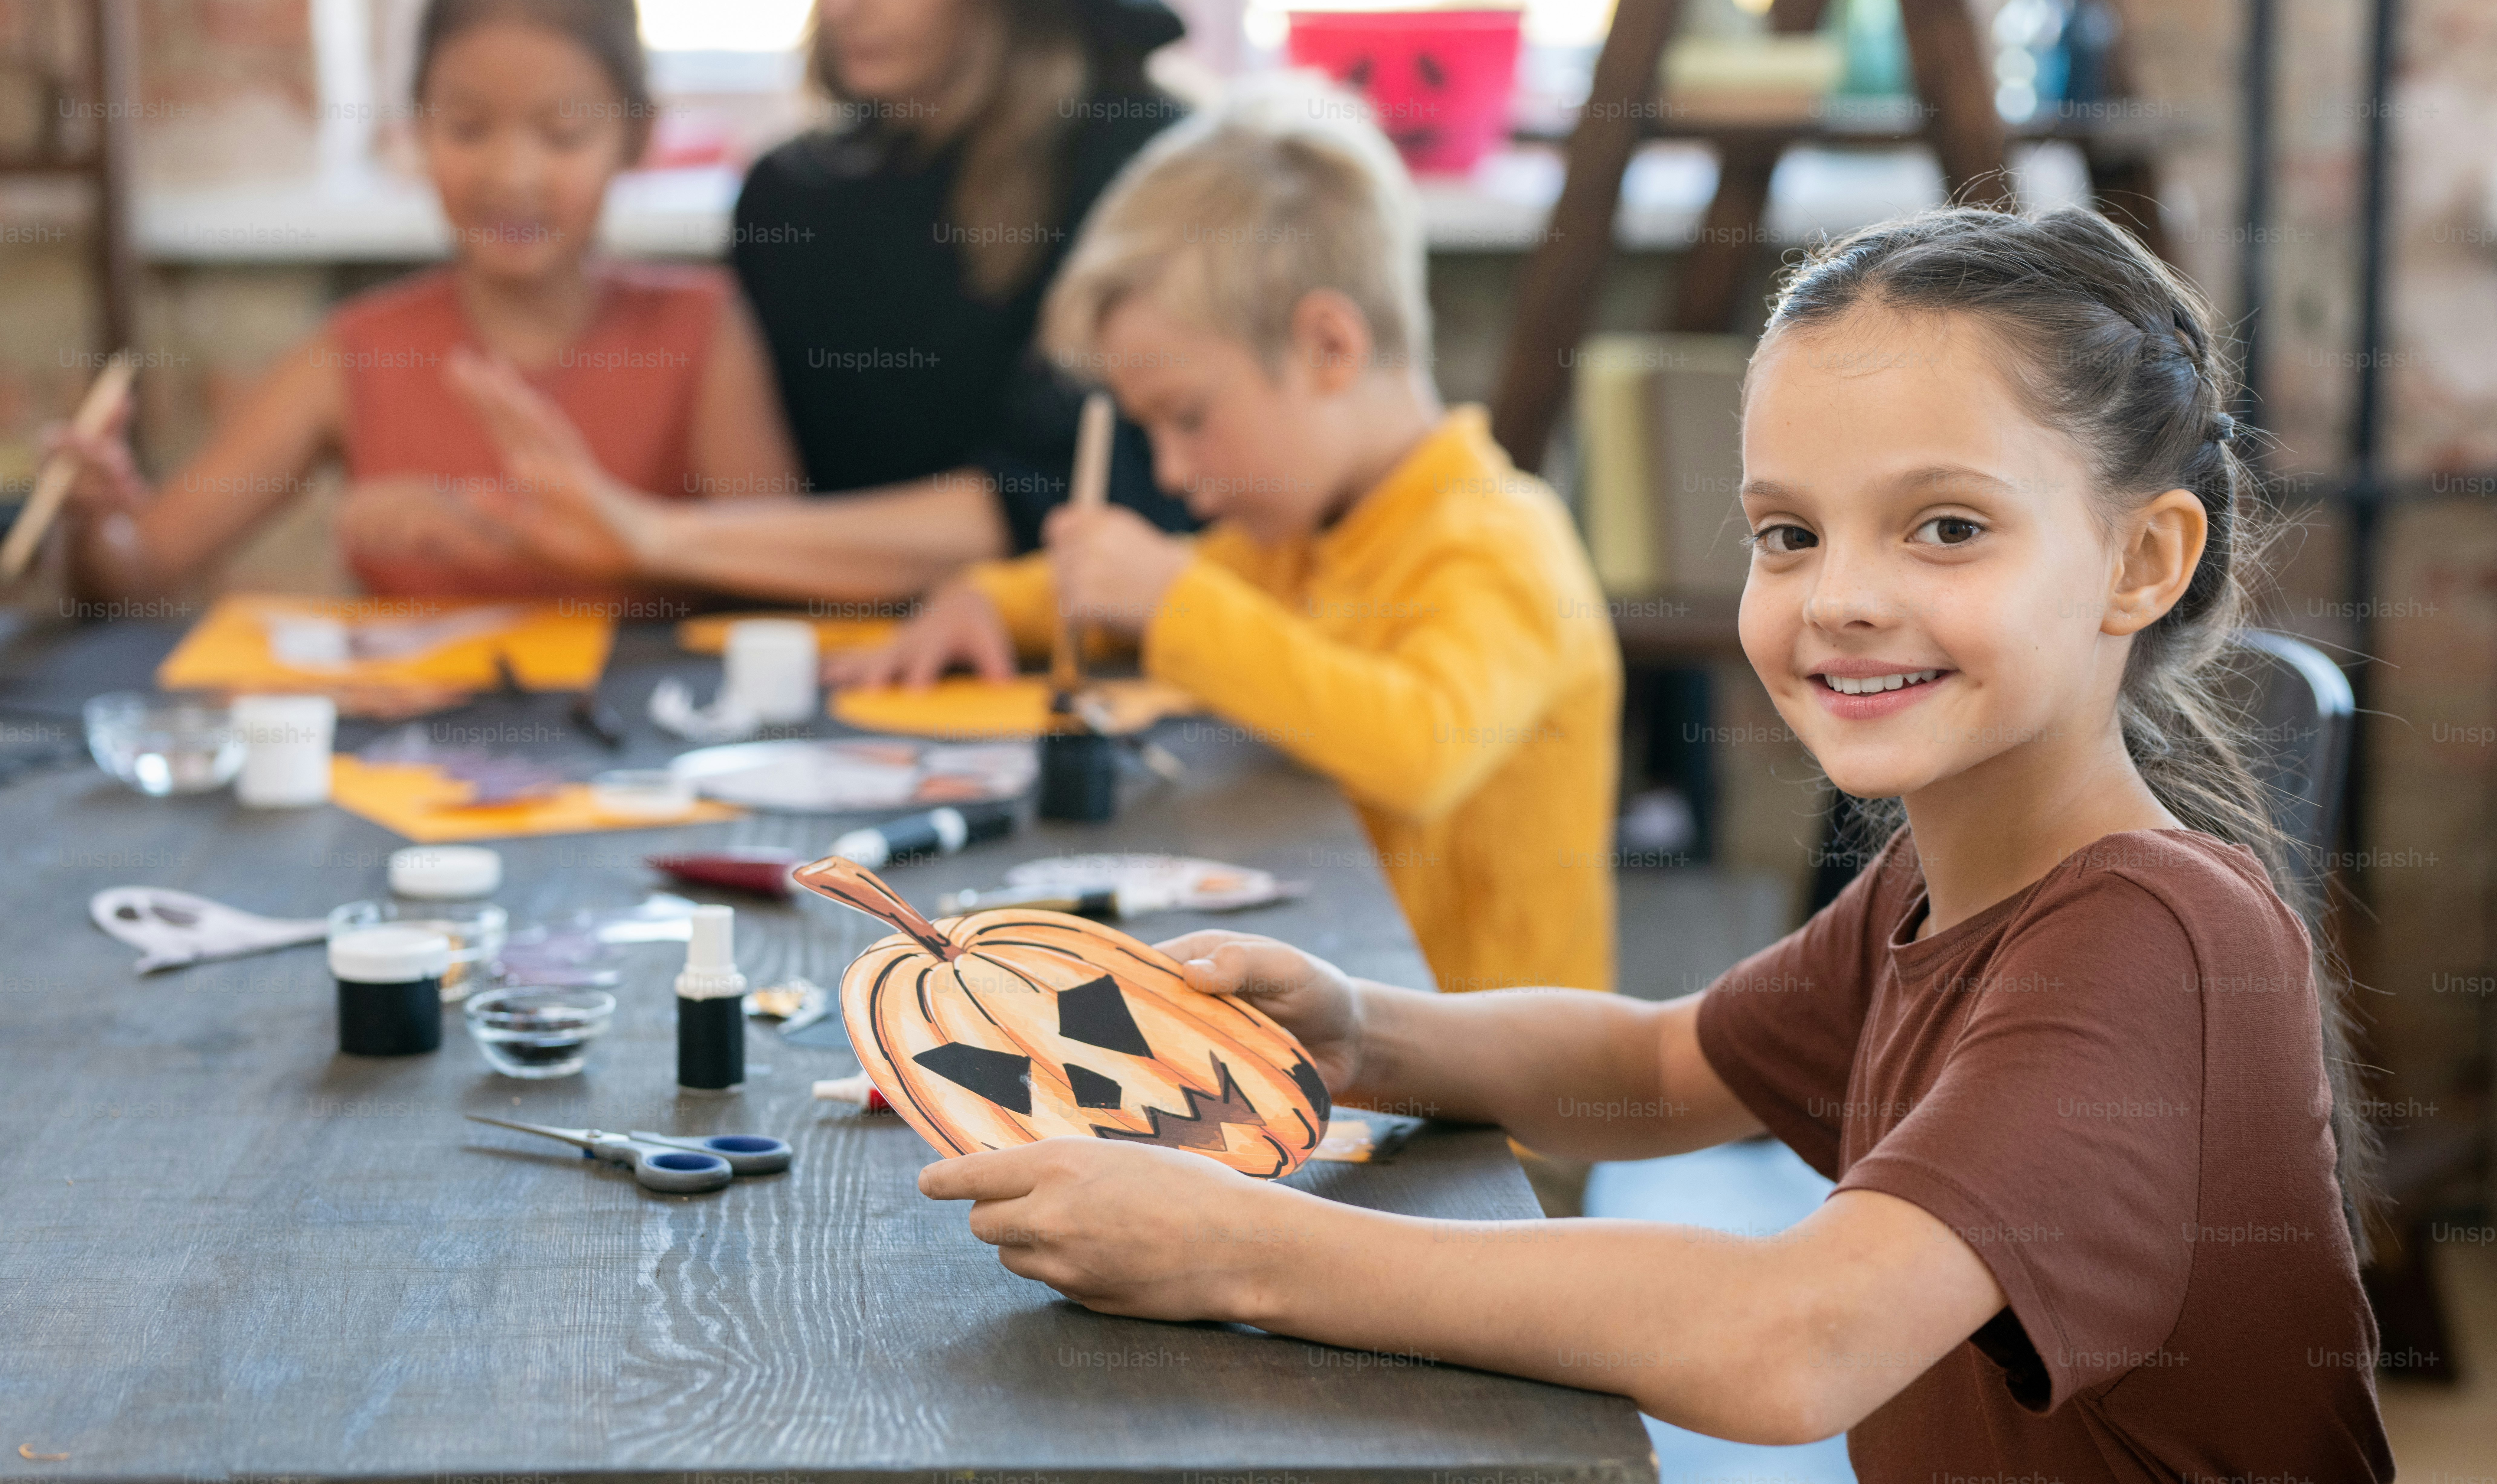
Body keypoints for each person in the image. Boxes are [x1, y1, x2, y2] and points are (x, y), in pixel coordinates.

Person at [912, 206, 2394, 1479]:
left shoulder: (2144, 942)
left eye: (1944, 528)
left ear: (2138, 562)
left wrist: (1236, 1248)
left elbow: (1789, 1342)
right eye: (1786, 534)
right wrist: (1364, 1034)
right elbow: (1662, 1068)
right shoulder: (1940, 889)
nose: (1838, 598)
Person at [832, 92, 1623, 1000]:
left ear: (1330, 348)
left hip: (1497, 1097)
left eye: (1189, 419)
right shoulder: (1299, 536)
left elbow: (1422, 747)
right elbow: (1141, 593)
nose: (1169, 472)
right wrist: (989, 600)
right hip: (1349, 1020)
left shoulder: (1498, 539)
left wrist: (1172, 601)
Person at [439, 0, 1195, 599]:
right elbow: (768, 505)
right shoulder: (788, 200)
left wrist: (655, 536)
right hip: (833, 668)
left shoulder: (1132, 165)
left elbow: (1065, 499)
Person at [51, 0, 799, 600]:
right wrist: (99, 524)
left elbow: (786, 576)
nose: (513, 174)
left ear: (637, 139)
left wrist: (589, 537)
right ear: (416, 128)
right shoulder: (355, 353)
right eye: (468, 128)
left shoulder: (702, 329)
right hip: (402, 749)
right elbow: (137, 570)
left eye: (564, 133)